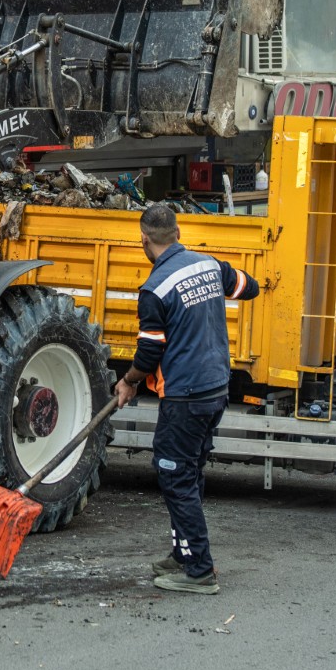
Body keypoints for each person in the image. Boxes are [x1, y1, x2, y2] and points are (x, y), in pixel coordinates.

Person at [114, 203, 260, 595]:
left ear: (144, 239)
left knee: (175, 476)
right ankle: (182, 552)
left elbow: (149, 354)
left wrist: (128, 382)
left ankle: (199, 569)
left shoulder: (155, 288)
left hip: (186, 395)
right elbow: (249, 286)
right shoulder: (209, 264)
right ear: (177, 233)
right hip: (215, 389)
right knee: (188, 473)